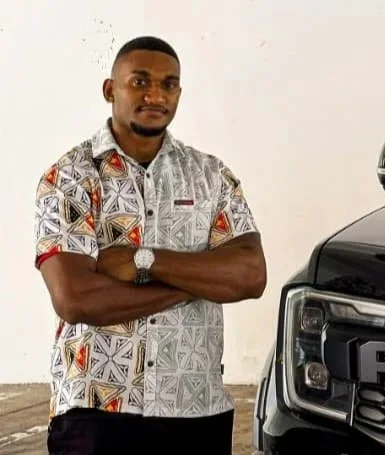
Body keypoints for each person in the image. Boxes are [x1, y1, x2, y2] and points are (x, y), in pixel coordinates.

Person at [33, 35, 267, 454]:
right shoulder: (69, 177)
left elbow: (250, 275)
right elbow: (75, 298)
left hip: (196, 406)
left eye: (169, 83)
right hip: (96, 406)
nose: (155, 94)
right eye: (139, 82)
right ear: (110, 90)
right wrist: (198, 281)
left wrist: (143, 260)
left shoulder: (212, 176)